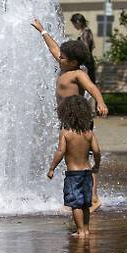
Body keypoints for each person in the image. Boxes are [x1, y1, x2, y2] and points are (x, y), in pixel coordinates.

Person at [32, 18, 107, 211]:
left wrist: (100, 102)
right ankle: (80, 196)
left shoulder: (78, 74)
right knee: (71, 158)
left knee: (82, 159)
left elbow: (92, 87)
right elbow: (54, 48)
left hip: (79, 119)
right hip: (67, 119)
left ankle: (94, 197)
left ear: (73, 61)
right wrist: (42, 31)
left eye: (63, 57)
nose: (59, 57)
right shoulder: (65, 65)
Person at [47, 95, 101, 238]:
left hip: (73, 174)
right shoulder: (88, 133)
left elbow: (60, 151)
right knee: (85, 204)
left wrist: (52, 168)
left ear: (65, 113)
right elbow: (96, 150)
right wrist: (97, 164)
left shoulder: (65, 133)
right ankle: (87, 229)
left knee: (76, 204)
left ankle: (80, 231)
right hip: (87, 172)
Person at [70, 13, 96, 84]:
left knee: (88, 83)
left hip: (86, 61)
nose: (74, 26)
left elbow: (85, 48)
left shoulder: (85, 33)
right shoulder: (84, 32)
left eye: (74, 24)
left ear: (78, 22)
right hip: (86, 61)